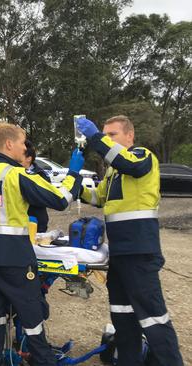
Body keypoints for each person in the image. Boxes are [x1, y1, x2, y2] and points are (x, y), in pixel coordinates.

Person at [0, 123, 82, 366]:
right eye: (22, 142)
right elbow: (60, 199)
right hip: (14, 260)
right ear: (9, 144)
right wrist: (73, 174)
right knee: (31, 315)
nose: (24, 147)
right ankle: (43, 361)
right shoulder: (16, 174)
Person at [76, 115, 183, 366]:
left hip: (139, 252)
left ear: (129, 136)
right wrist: (73, 183)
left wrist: (94, 137)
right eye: (104, 134)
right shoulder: (114, 169)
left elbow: (131, 165)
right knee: (123, 319)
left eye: (111, 134)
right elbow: (97, 197)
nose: (106, 139)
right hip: (120, 255)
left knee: (153, 319)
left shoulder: (142, 157)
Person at [22, 140, 51, 233]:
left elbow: (46, 198)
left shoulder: (41, 175)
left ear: (29, 158)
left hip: (37, 221)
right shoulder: (13, 173)